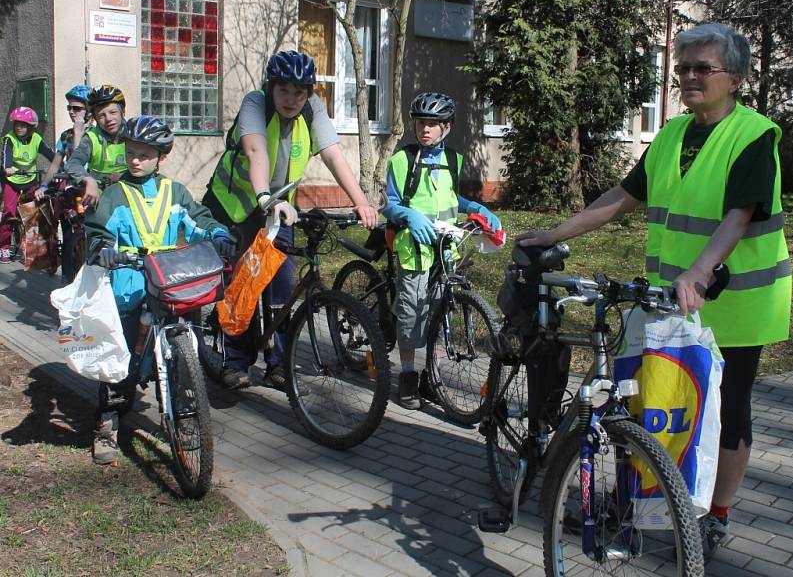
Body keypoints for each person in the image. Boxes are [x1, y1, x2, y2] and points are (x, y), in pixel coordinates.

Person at [517, 23, 791, 561]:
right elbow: (624, 196)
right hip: (666, 299)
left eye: (702, 68)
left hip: (735, 303)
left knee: (727, 414)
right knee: (646, 404)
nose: (689, 77)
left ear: (733, 78)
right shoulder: (672, 134)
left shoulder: (754, 135)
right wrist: (554, 233)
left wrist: (700, 270)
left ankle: (715, 516)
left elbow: (740, 215)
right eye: (683, 68)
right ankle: (638, 505)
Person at [202, 49, 379, 390]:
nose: (291, 99)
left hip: (279, 208)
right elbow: (255, 150)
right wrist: (265, 197)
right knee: (244, 284)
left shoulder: (313, 111)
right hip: (235, 205)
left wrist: (362, 203)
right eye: (284, 89)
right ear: (271, 86)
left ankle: (278, 363)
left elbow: (333, 155)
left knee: (282, 285)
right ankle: (234, 362)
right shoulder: (256, 104)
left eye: (300, 92)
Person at [85, 115, 235, 465]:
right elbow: (97, 233)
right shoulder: (113, 194)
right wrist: (102, 249)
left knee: (184, 358)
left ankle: (184, 415)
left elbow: (198, 219)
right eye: (131, 152)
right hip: (131, 287)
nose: (135, 160)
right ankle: (108, 420)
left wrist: (218, 234)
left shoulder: (175, 191)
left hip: (171, 284)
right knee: (120, 360)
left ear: (161, 156)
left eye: (144, 154)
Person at [382, 92, 500, 410]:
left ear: (446, 127)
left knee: (438, 312)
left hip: (445, 251)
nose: (425, 130)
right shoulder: (402, 161)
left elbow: (451, 198)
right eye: (421, 123)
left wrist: (474, 206)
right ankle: (407, 377)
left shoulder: (453, 159)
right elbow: (390, 205)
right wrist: (408, 215)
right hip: (414, 251)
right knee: (411, 314)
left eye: (433, 124)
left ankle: (429, 378)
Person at [36, 84, 94, 282]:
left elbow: (81, 161)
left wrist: (79, 132)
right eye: (69, 108)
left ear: (89, 110)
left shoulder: (95, 135)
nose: (71, 112)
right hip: (69, 192)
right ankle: (67, 278)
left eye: (77, 108)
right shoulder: (65, 136)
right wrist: (44, 185)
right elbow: (55, 164)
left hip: (91, 192)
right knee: (69, 236)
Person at [1, 107, 56, 263]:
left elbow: (52, 155)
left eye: (23, 125)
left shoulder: (37, 139)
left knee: (32, 213)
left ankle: (34, 250)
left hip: (30, 180)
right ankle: (4, 247)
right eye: (17, 124)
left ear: (31, 127)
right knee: (9, 212)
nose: (19, 127)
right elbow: (6, 156)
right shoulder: (8, 139)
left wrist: (62, 166)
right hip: (11, 180)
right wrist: (8, 168)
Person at [66, 84, 127, 206]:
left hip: (130, 195)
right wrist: (89, 180)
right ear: (95, 119)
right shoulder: (91, 138)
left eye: (113, 112)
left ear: (123, 112)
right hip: (102, 198)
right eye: (101, 115)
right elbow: (73, 163)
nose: (108, 118)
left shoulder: (134, 133)